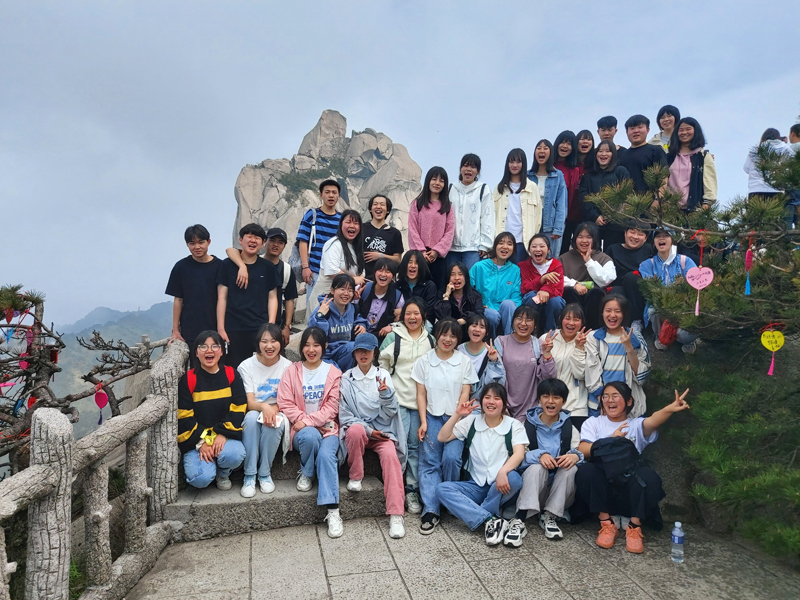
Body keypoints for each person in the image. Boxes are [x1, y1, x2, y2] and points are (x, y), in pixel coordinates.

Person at [575, 382, 690, 553]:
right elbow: (583, 449)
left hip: (629, 484)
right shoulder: (593, 423)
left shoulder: (635, 424)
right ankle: (606, 524)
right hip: (603, 484)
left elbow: (652, 421)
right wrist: (611, 440)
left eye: (615, 396)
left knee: (649, 477)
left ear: (629, 401)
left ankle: (634, 526)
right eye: (606, 396)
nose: (610, 400)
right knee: (585, 471)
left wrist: (670, 409)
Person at [436, 383, 527, 547]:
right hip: (476, 485)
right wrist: (457, 414)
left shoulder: (514, 425)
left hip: (500, 485)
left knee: (514, 478)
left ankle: (479, 514)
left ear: (504, 403)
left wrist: (503, 472)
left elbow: (519, 453)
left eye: (497, 398)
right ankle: (490, 520)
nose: (491, 402)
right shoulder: (472, 421)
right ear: (482, 401)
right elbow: (442, 437)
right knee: (442, 489)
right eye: (487, 397)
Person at [412, 318, 479, 534]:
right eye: (444, 334)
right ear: (437, 335)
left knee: (452, 458)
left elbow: (465, 392)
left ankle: (449, 499)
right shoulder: (424, 361)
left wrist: (458, 417)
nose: (448, 339)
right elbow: (421, 394)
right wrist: (423, 421)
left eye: (453, 336)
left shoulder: (464, 361)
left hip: (456, 419)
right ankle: (431, 509)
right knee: (430, 461)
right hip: (432, 416)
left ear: (458, 340)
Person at [277, 327, 344, 538]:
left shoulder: (333, 373)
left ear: (324, 347)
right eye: (306, 345)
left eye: (316, 345)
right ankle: (307, 472)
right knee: (309, 436)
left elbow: (332, 408)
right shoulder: (292, 370)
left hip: (329, 430)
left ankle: (333, 512)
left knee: (326, 456)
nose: (311, 349)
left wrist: (308, 420)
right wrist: (303, 421)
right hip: (303, 432)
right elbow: (284, 401)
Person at [339, 333, 407, 539]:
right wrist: (369, 430)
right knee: (355, 430)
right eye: (359, 350)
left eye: (367, 350)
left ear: (374, 352)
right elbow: (345, 415)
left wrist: (386, 395)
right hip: (360, 431)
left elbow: (391, 412)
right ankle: (355, 475)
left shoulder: (383, 375)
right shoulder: (346, 378)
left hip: (382, 431)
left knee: (391, 456)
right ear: (354, 353)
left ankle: (396, 514)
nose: (363, 354)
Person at [378, 299, 436, 515]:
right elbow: (382, 366)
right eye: (408, 313)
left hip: (421, 403)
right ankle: (395, 488)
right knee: (398, 446)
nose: (412, 317)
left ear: (423, 316)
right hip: (398, 400)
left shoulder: (430, 340)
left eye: (416, 313)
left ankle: (411, 489)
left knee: (414, 446)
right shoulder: (393, 337)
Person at [177, 331, 247, 491]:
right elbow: (184, 417)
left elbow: (238, 408)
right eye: (203, 347)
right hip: (197, 441)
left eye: (215, 346)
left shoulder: (231, 375)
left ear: (222, 351)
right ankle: (210, 468)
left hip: (224, 438)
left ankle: (223, 472)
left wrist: (222, 434)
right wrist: (204, 441)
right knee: (199, 478)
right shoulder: (189, 380)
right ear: (196, 352)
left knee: (235, 455)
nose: (209, 350)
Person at [515, 378, 582, 541]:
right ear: (539, 399)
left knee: (570, 468)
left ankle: (550, 516)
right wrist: (539, 455)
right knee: (536, 466)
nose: (550, 401)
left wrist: (575, 456)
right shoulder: (525, 426)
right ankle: (520, 517)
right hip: (532, 488)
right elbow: (518, 457)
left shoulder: (570, 428)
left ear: (563, 402)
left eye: (556, 397)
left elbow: (578, 453)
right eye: (546, 396)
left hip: (560, 493)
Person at [237, 323, 292, 497]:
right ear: (258, 343)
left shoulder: (288, 366)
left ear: (281, 343)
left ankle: (264, 473)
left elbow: (288, 400)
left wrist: (273, 409)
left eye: (274, 341)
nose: (269, 346)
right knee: (252, 419)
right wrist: (264, 407)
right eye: (264, 341)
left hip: (278, 409)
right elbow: (249, 402)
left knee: (274, 422)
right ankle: (249, 475)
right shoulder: (246, 366)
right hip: (254, 409)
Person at [216, 224, 278, 368]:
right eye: (249, 236)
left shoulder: (268, 267)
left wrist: (270, 325)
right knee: (235, 369)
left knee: (262, 368)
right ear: (240, 240)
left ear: (263, 244)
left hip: (260, 327)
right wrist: (221, 328)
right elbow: (222, 298)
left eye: (257, 238)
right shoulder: (227, 265)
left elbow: (272, 297)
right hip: (234, 328)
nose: (253, 240)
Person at [225, 227, 298, 345]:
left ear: (284, 246)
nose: (276, 245)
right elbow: (231, 250)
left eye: (280, 242)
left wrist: (287, 326)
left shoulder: (286, 270)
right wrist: (242, 266)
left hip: (273, 325)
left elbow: (289, 299)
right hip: (244, 324)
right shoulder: (252, 261)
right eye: (272, 240)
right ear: (265, 242)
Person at [585, 295, 650, 418]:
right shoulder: (593, 337)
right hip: (599, 405)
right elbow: (591, 371)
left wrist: (629, 347)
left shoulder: (635, 337)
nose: (612, 315)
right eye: (608, 310)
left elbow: (642, 375)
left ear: (624, 314)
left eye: (617, 311)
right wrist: (604, 401)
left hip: (630, 405)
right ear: (602, 313)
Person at [638, 229, 700, 354]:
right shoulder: (647, 265)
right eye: (658, 236)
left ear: (673, 240)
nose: (661, 238)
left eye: (666, 235)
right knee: (653, 311)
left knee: (684, 335)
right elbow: (651, 290)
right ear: (653, 242)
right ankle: (660, 336)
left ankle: (687, 340)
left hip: (684, 307)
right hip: (661, 306)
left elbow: (694, 286)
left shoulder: (685, 261)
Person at [494, 305, 557, 421]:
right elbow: (494, 376)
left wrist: (547, 353)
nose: (523, 323)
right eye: (519, 318)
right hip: (502, 408)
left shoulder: (539, 345)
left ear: (535, 325)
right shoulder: (501, 342)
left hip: (530, 411)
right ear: (513, 321)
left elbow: (549, 378)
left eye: (529, 320)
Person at [166, 224, 222, 344]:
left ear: (208, 242)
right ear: (187, 244)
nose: (197, 247)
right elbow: (178, 299)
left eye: (201, 242)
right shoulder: (181, 267)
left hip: (216, 328)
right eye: (192, 243)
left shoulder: (220, 266)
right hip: (190, 329)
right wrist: (175, 330)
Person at [297, 179, 342, 321]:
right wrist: (305, 267)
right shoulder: (312, 215)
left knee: (335, 310)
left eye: (334, 192)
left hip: (334, 272)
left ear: (338, 196)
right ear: (321, 195)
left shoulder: (341, 219)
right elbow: (303, 241)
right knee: (314, 309)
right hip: (315, 271)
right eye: (327, 192)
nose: (331, 195)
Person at [560, 222, 616, 330]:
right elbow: (557, 278)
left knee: (596, 293)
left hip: (593, 298)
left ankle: (591, 331)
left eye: (588, 237)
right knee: (569, 291)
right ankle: (573, 328)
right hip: (573, 295)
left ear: (594, 239)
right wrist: (574, 284)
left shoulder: (603, 258)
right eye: (580, 237)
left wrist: (589, 261)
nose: (584, 241)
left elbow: (607, 279)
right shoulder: (564, 258)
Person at [542, 304, 590, 429]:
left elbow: (580, 374)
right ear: (561, 319)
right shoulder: (547, 338)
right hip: (548, 405)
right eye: (567, 318)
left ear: (582, 323)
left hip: (576, 407)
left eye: (576, 319)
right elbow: (542, 375)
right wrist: (546, 352)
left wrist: (579, 348)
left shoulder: (587, 341)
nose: (571, 323)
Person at [578, 140, 632, 250]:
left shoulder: (621, 171)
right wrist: (595, 216)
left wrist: (612, 216)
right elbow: (583, 198)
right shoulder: (588, 176)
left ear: (613, 154)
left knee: (613, 253)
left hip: (616, 223)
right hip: (593, 222)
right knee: (592, 254)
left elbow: (627, 196)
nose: (603, 154)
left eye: (607, 151)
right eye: (600, 151)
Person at [308, 273, 368, 371]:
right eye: (342, 289)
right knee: (333, 371)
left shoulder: (352, 309)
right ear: (332, 290)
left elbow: (359, 318)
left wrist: (362, 325)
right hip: (324, 355)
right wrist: (320, 316)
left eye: (350, 290)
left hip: (344, 352)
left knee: (353, 346)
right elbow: (315, 335)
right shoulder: (323, 309)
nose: (346, 293)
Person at [408, 166, 455, 289]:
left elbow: (450, 231)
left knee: (437, 288)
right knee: (418, 288)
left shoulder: (447, 206)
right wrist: (421, 251)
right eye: (434, 179)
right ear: (428, 180)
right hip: (419, 256)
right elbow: (412, 228)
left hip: (438, 257)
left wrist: (437, 251)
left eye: (441, 181)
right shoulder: (417, 203)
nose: (437, 183)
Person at [493, 148, 542, 264]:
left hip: (522, 242)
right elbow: (492, 215)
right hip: (502, 240)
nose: (514, 165)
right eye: (511, 161)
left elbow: (537, 217)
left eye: (518, 162)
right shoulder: (499, 188)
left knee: (518, 272)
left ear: (523, 164)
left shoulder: (532, 187)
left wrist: (532, 240)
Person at [469, 232, 522, 337]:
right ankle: (491, 342)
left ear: (513, 249)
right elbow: (469, 290)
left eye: (509, 244)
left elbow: (516, 296)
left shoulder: (515, 270)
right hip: (485, 310)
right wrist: (479, 306)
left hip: (507, 312)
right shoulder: (479, 267)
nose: (505, 247)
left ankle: (509, 339)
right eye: (501, 243)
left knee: (509, 304)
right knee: (492, 315)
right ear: (495, 246)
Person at [447, 153, 495, 269]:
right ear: (460, 169)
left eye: (473, 167)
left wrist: (485, 244)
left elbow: (487, 217)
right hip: (451, 247)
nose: (468, 169)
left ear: (478, 171)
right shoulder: (451, 188)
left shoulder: (483, 189)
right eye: (465, 165)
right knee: (451, 277)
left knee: (471, 278)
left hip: (473, 248)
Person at [605, 223, 654, 333]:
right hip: (619, 287)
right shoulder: (613, 249)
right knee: (615, 291)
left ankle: (637, 321)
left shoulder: (649, 250)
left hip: (638, 288)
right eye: (632, 232)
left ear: (646, 238)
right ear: (625, 233)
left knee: (632, 277)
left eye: (640, 234)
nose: (635, 237)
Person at [667, 117, 717, 212]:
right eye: (681, 130)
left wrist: (705, 206)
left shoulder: (703, 156)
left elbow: (710, 183)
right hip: (669, 210)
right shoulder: (669, 156)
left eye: (688, 129)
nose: (684, 132)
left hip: (695, 210)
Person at [528, 140, 568, 258]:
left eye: (545, 148)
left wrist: (558, 229)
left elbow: (562, 204)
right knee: (530, 259)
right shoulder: (527, 175)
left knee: (550, 259)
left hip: (550, 226)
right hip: (531, 224)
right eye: (538, 148)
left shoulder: (558, 175)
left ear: (551, 153)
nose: (541, 151)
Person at [519, 234, 566, 335]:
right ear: (529, 250)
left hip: (551, 301)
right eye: (534, 246)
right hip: (532, 303)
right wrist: (541, 280)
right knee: (531, 297)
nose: (538, 249)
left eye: (542, 246)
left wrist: (546, 290)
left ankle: (550, 334)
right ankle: (530, 333)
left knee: (556, 301)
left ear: (548, 250)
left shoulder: (556, 265)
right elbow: (524, 288)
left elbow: (558, 290)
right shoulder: (523, 266)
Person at [316, 209, 366, 301]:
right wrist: (353, 279)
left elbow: (361, 272)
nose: (352, 226)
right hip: (326, 297)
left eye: (356, 223)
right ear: (341, 224)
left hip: (345, 298)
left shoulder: (357, 248)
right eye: (348, 222)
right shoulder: (334, 244)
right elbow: (332, 270)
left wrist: (360, 280)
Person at [458, 313, 506, 403]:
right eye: (474, 325)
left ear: (487, 332)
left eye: (482, 327)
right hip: (458, 400)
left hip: (480, 404)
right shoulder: (459, 350)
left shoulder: (491, 352)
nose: (477, 329)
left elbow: (499, 382)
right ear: (467, 329)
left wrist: (494, 361)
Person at [618, 115, 669, 194]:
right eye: (632, 128)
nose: (636, 131)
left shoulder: (655, 151)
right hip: (628, 200)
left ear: (648, 130)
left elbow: (663, 177)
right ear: (627, 132)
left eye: (640, 127)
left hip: (652, 199)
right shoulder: (622, 156)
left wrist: (658, 198)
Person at [434, 262, 485, 338]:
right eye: (452, 274)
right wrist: (447, 295)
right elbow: (443, 317)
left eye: (460, 274)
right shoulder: (441, 294)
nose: (457, 278)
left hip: (468, 333)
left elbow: (479, 312)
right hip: (448, 333)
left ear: (466, 277)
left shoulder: (474, 295)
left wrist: (463, 320)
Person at [357, 257, 404, 338]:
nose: (383, 274)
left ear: (393, 276)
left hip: (381, 337)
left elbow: (403, 320)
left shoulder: (397, 296)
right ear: (375, 272)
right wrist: (361, 323)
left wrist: (392, 327)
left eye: (388, 272)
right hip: (359, 332)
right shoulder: (363, 288)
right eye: (380, 270)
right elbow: (350, 311)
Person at [743, 128, 794, 199]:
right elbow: (793, 167)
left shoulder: (756, 150)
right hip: (777, 189)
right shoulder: (786, 149)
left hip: (756, 189)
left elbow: (746, 168)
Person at [362, 194, 404, 280]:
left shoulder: (394, 233)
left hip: (384, 280)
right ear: (370, 209)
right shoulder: (361, 228)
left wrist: (381, 256)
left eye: (382, 204)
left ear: (388, 210)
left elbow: (398, 260)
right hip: (363, 278)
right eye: (375, 204)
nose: (378, 207)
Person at [553, 131, 583, 251]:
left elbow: (570, 196)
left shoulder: (574, 170)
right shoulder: (549, 165)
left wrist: (564, 219)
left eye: (569, 144)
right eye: (562, 142)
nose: (565, 146)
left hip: (564, 219)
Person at [395, 250, 438, 327]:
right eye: (410, 262)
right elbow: (390, 311)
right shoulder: (397, 286)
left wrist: (403, 313)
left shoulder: (429, 286)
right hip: (399, 324)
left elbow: (429, 313)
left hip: (423, 324)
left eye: (417, 263)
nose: (413, 265)